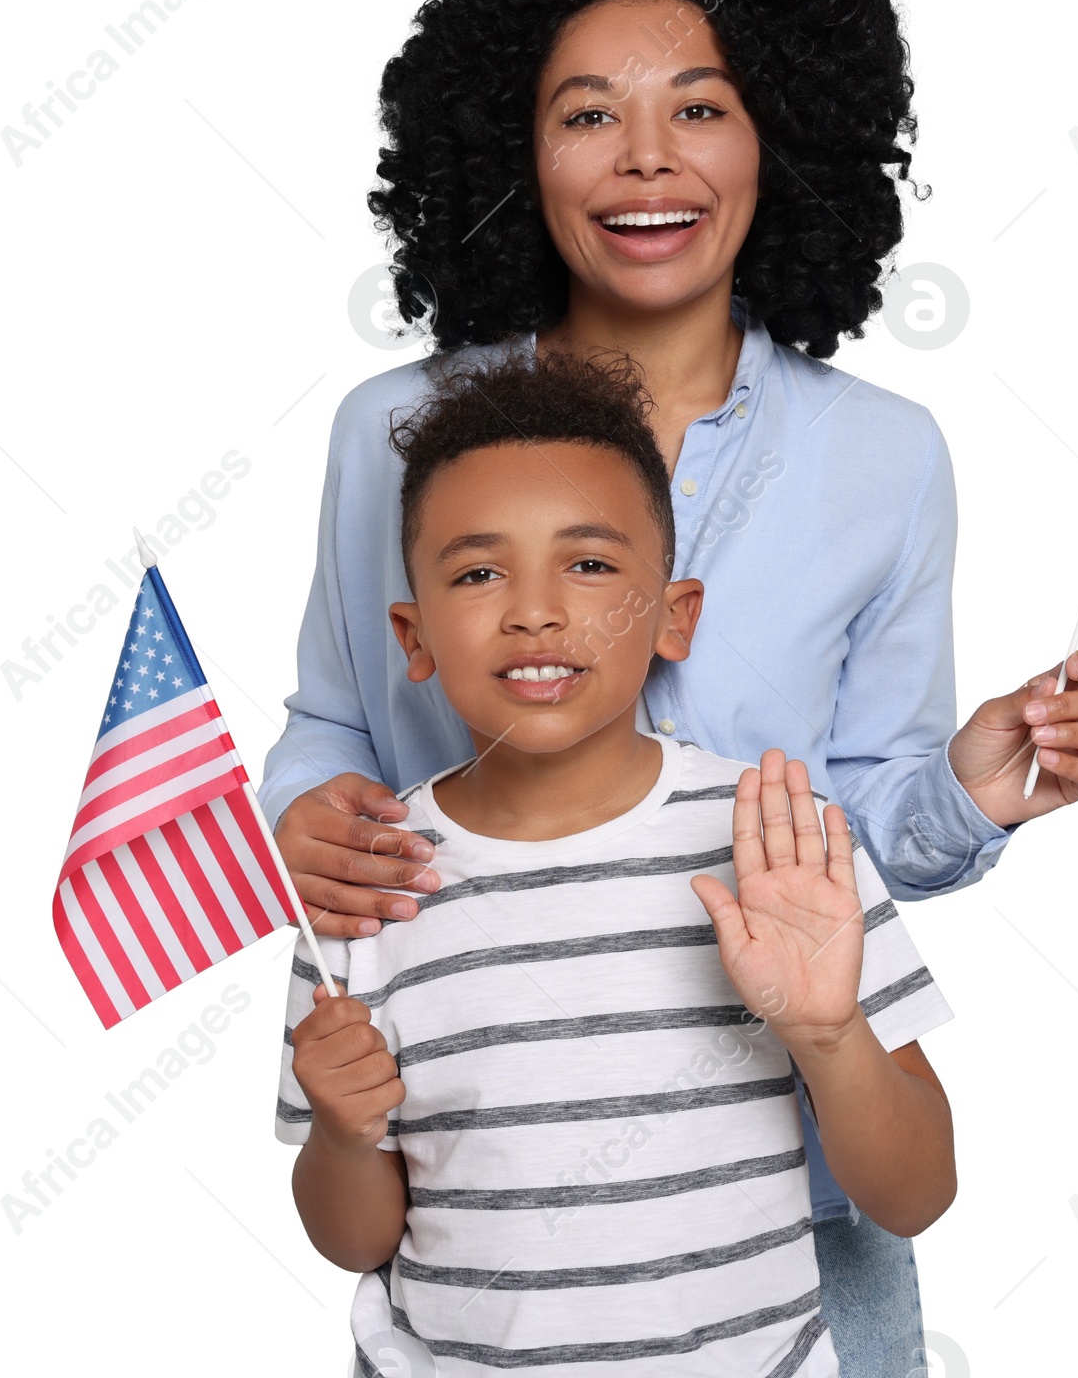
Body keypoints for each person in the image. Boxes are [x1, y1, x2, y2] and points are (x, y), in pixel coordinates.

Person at [259, 0, 1078, 1372]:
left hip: (785, 1159)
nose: (645, 160)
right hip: (484, 1165)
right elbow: (334, 716)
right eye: (588, 113)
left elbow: (855, 826)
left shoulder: (886, 458)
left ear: (784, 135)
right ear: (516, 154)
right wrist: (308, 814)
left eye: (701, 106)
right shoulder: (391, 433)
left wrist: (963, 797)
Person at [276, 351, 958, 1376]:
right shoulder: (368, 883)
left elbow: (914, 1193)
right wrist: (338, 1133)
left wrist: (825, 1032)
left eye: (589, 564)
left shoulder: (777, 841)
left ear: (674, 616)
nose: (535, 610)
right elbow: (355, 1239)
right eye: (477, 572)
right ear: (411, 636)